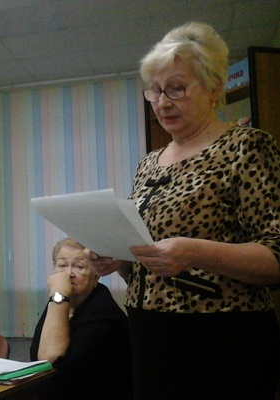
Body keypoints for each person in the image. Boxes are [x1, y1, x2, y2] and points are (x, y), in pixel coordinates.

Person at [85, 22, 280, 400]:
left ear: (214, 89)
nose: (162, 102)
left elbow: (276, 253)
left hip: (221, 338)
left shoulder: (246, 147)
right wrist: (119, 259)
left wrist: (193, 252)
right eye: (155, 91)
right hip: (150, 332)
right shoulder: (149, 164)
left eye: (176, 88)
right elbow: (150, 261)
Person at [30, 238, 132, 399]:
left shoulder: (105, 315)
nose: (68, 274)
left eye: (79, 267)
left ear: (96, 276)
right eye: (62, 265)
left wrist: (59, 296)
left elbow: (50, 360)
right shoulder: (60, 303)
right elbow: (35, 357)